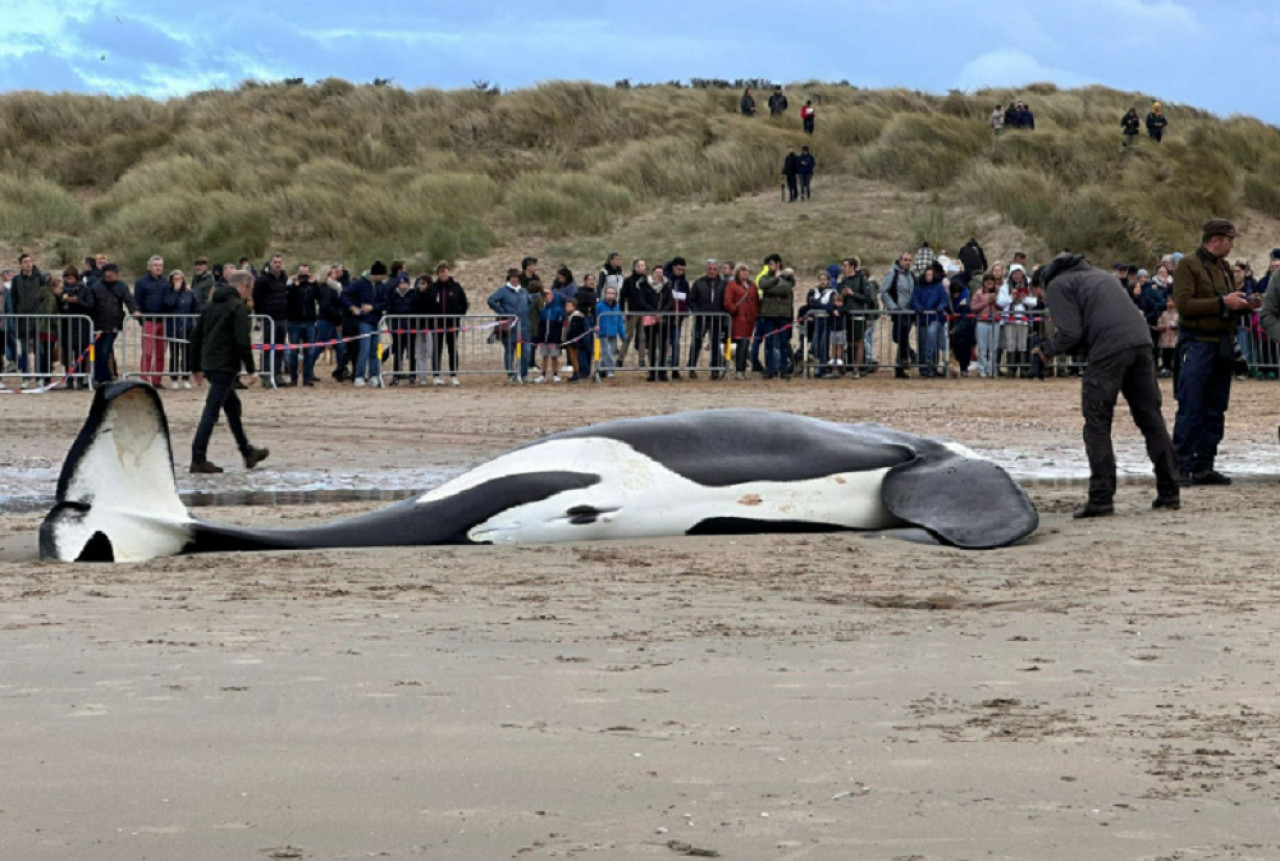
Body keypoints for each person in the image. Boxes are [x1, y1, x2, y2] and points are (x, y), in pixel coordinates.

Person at [1033, 254, 1180, 517]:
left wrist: (1045, 352)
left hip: (1108, 350)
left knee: (1097, 422)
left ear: (1042, 285)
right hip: (1141, 342)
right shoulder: (1100, 275)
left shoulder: (1058, 285)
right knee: (1151, 418)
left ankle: (1101, 497)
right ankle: (1170, 491)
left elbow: (1069, 332)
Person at [1172, 219, 1254, 486]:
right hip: (1197, 342)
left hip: (1221, 342)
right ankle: (1180, 468)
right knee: (1191, 405)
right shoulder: (1188, 264)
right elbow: (1183, 305)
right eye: (1230, 240)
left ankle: (1204, 465)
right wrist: (1223, 302)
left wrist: (1243, 303)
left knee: (1216, 407)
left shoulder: (1224, 267)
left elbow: (1225, 302)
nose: (1232, 245)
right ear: (1216, 239)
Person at [188, 271, 269, 474]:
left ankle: (247, 451)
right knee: (211, 411)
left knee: (232, 407)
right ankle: (198, 458)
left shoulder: (210, 306)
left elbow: (196, 336)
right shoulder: (237, 307)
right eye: (250, 289)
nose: (250, 294)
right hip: (224, 366)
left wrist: (196, 366)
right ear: (243, 286)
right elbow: (242, 340)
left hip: (210, 364)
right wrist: (252, 369)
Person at [79, 263, 139, 385]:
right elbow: (91, 305)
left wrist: (134, 311)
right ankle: (101, 377)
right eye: (112, 272)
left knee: (105, 351)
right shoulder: (96, 287)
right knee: (98, 352)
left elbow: (129, 299)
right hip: (97, 325)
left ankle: (104, 377)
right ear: (106, 274)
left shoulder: (122, 286)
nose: (113, 275)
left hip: (113, 325)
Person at [343, 261, 389, 388]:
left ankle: (374, 375)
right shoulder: (359, 283)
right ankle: (359, 376)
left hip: (377, 321)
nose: (384, 277)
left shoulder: (381, 286)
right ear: (377, 274)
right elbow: (344, 295)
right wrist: (352, 307)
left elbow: (385, 303)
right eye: (383, 274)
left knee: (375, 350)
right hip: (364, 321)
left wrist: (373, 307)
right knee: (364, 349)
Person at [425, 262, 469, 386]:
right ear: (438, 274)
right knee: (436, 350)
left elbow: (464, 304)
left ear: (449, 272)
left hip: (452, 324)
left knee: (452, 349)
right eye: (441, 272)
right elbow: (427, 305)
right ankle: (436, 375)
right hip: (436, 324)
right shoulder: (433, 288)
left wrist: (457, 315)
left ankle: (453, 375)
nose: (443, 274)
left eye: (445, 271)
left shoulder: (456, 287)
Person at [489, 268, 533, 383]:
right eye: (513, 277)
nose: (515, 279)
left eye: (517, 277)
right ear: (509, 278)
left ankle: (523, 374)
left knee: (525, 351)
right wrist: (503, 313)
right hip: (510, 326)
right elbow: (491, 300)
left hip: (524, 326)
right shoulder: (503, 290)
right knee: (510, 350)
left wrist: (527, 313)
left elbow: (530, 302)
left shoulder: (523, 291)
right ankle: (511, 374)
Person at [253, 253, 291, 386]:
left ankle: (277, 374)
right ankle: (266, 375)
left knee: (280, 347)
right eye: (275, 262)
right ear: (270, 263)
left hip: (282, 317)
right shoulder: (262, 279)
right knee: (268, 347)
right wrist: (259, 316)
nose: (278, 264)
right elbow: (256, 298)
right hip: (269, 318)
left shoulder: (284, 278)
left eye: (280, 262)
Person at [132, 255, 169, 387]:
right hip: (149, 320)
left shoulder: (166, 282)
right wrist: (141, 319)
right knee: (147, 352)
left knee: (160, 353)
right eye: (155, 265)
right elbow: (137, 301)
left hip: (163, 321)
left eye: (160, 265)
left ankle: (157, 380)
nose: (158, 268)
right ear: (150, 266)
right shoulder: (141, 282)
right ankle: (144, 378)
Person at [688, 258, 727, 379]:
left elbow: (727, 300)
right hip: (701, 319)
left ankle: (715, 370)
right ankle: (691, 367)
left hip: (717, 320)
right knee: (696, 343)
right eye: (710, 269)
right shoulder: (698, 283)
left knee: (716, 345)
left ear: (718, 270)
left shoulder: (724, 284)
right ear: (706, 269)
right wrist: (697, 311)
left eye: (714, 269)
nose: (712, 271)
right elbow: (691, 300)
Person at [838, 257, 876, 377]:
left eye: (846, 266)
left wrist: (852, 294)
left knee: (858, 341)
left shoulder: (862, 279)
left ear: (852, 267)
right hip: (846, 314)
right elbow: (839, 297)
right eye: (843, 266)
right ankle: (850, 365)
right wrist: (842, 295)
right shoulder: (844, 280)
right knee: (849, 341)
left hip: (858, 314)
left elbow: (868, 298)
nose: (844, 268)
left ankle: (857, 368)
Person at [163, 269, 200, 389]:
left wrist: (193, 324)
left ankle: (185, 378)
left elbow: (195, 308)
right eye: (175, 279)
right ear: (171, 281)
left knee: (187, 354)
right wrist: (175, 291)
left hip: (187, 327)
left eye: (180, 279)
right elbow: (168, 304)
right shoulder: (168, 291)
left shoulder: (189, 292)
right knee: (174, 354)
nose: (178, 281)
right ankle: (174, 379)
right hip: (173, 327)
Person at [758, 260, 795, 380]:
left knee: (784, 344)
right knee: (768, 344)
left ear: (778, 265)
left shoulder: (788, 279)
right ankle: (769, 369)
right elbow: (763, 286)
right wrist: (775, 278)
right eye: (769, 264)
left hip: (783, 316)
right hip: (769, 316)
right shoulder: (764, 277)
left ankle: (783, 370)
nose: (770, 266)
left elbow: (785, 290)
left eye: (773, 264)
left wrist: (770, 289)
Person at [881, 252, 916, 378]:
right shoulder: (892, 274)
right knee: (899, 336)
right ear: (900, 260)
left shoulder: (911, 275)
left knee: (900, 337)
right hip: (898, 310)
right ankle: (911, 355)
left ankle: (899, 368)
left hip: (909, 311)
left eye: (909, 260)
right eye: (905, 260)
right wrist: (893, 307)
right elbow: (884, 292)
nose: (907, 262)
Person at [285, 264, 320, 387]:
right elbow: (288, 298)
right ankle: (293, 378)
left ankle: (307, 378)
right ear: (297, 273)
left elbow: (320, 298)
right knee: (293, 352)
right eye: (301, 273)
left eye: (306, 273)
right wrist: (295, 285)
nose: (304, 276)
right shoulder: (291, 286)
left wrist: (315, 283)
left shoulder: (312, 286)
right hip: (294, 322)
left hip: (309, 322)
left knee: (309, 352)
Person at [57, 265, 92, 388]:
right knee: (67, 357)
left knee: (80, 355)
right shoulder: (62, 290)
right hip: (66, 327)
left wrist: (76, 301)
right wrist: (61, 300)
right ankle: (69, 379)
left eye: (71, 278)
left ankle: (81, 379)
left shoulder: (85, 290)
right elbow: (58, 308)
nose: (69, 281)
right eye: (67, 278)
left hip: (81, 326)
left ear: (76, 278)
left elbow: (90, 306)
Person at [724, 263, 760, 380]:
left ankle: (743, 370)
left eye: (747, 271)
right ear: (738, 272)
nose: (745, 273)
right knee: (740, 345)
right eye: (742, 270)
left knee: (745, 346)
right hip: (738, 320)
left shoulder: (752, 286)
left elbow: (756, 301)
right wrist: (735, 309)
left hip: (750, 320)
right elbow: (727, 302)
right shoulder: (732, 285)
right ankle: (739, 370)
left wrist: (756, 313)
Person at [911, 266, 949, 377]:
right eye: (927, 274)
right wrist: (918, 308)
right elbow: (914, 299)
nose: (929, 277)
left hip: (935, 318)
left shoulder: (938, 286)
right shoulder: (919, 287)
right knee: (922, 344)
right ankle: (923, 368)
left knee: (932, 342)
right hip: (922, 319)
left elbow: (944, 299)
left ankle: (933, 367)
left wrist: (940, 307)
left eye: (930, 274)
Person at [638, 264, 673, 381]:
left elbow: (670, 301)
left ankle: (662, 372)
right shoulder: (645, 285)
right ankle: (652, 372)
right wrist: (654, 312)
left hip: (663, 319)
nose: (659, 274)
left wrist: (662, 313)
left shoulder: (667, 285)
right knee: (651, 346)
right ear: (652, 273)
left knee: (663, 346)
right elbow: (642, 301)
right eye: (656, 272)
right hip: (650, 318)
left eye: (661, 272)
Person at [317, 263, 348, 381]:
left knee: (340, 346)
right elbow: (326, 306)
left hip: (332, 322)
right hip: (325, 321)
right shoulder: (326, 288)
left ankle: (340, 371)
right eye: (334, 273)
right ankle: (307, 371)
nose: (336, 275)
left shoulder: (336, 288)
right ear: (328, 275)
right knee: (319, 347)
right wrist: (338, 313)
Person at [618, 259, 649, 369]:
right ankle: (620, 358)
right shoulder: (629, 281)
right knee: (628, 336)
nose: (642, 267)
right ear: (635, 267)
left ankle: (641, 359)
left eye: (643, 265)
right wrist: (622, 311)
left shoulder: (647, 281)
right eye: (640, 265)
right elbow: (622, 297)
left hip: (644, 313)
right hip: (632, 312)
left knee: (642, 337)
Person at [971, 273, 1000, 378]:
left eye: (991, 282)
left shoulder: (999, 292)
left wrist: (995, 301)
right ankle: (982, 369)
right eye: (987, 282)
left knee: (994, 348)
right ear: (984, 283)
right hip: (982, 322)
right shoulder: (978, 293)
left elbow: (1003, 306)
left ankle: (992, 369)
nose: (989, 284)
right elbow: (973, 307)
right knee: (982, 348)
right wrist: (986, 302)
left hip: (995, 323)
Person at [949, 272, 976, 377]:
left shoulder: (966, 300)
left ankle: (964, 369)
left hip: (965, 329)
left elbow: (966, 318)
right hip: (955, 327)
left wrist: (956, 329)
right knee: (956, 350)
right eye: (954, 293)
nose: (955, 295)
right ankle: (957, 369)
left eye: (957, 293)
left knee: (964, 349)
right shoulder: (951, 299)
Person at [595, 285, 624, 378]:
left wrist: (623, 335)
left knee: (610, 353)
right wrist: (596, 327)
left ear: (615, 295)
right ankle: (610, 371)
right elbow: (595, 318)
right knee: (606, 353)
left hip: (613, 334)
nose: (610, 295)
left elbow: (619, 321)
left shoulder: (617, 307)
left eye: (612, 293)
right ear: (605, 294)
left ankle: (602, 370)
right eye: (608, 293)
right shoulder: (599, 306)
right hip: (603, 334)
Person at [1157, 297, 1179, 378]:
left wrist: (1175, 326)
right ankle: (1166, 370)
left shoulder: (1178, 314)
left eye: (1170, 301)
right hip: (1165, 340)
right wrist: (1162, 327)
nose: (1168, 303)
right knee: (1166, 357)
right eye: (1167, 301)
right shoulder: (1164, 314)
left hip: (1174, 340)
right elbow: (1159, 324)